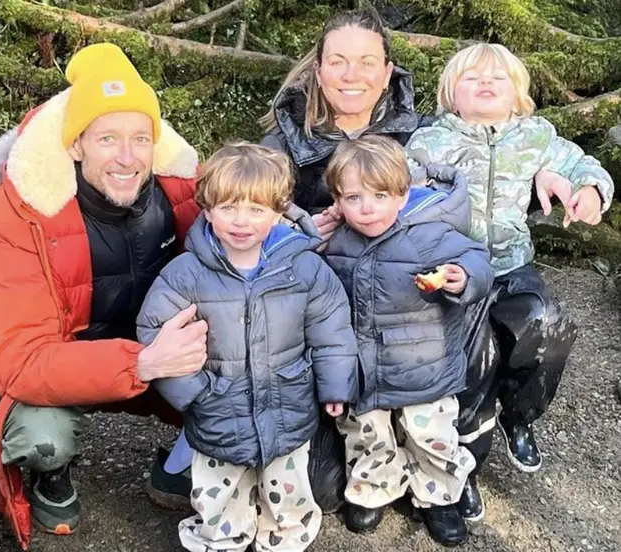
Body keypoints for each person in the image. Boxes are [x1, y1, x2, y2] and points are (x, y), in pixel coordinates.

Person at [0, 43, 207, 548]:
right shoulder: (18, 215)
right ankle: (51, 473)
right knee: (41, 434)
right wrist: (143, 363)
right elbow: (21, 363)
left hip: (152, 351)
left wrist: (299, 231)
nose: (126, 157)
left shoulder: (182, 192)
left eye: (141, 138)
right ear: (75, 145)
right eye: (107, 138)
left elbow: (249, 225)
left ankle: (185, 461)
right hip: (72, 359)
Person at [405, 43, 614, 521]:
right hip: (457, 270)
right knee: (475, 361)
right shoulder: (430, 142)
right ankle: (466, 465)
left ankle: (520, 414)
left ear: (518, 95)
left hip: (513, 264)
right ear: (450, 95)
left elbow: (583, 164)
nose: (485, 84)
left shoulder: (536, 136)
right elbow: (401, 191)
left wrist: (588, 190)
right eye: (472, 77)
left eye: (497, 79)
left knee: (548, 327)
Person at [136, 142, 359, 552]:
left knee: (288, 491)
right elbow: (154, 330)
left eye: (256, 209)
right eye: (228, 208)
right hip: (218, 407)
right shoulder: (185, 274)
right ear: (207, 208)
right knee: (219, 494)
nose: (242, 221)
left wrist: (335, 386)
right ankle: (223, 539)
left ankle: (284, 538)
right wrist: (193, 393)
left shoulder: (305, 267)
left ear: (278, 212)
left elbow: (332, 328)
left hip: (288, 404)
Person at [322, 135, 494, 545]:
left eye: (379, 195)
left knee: (432, 438)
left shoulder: (430, 233)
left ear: (402, 195)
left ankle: (440, 497)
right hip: (363, 370)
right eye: (354, 197)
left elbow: (476, 258)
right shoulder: (336, 240)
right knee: (366, 435)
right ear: (337, 201)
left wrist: (462, 277)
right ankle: (374, 488)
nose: (367, 207)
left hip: (424, 366)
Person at [261, 10, 433, 233]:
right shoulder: (279, 148)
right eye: (337, 62)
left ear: (387, 73)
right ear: (319, 73)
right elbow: (245, 220)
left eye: (367, 63)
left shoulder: (426, 136)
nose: (351, 75)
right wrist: (296, 233)